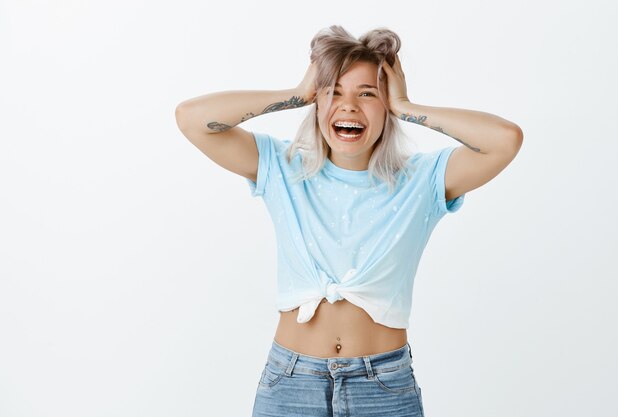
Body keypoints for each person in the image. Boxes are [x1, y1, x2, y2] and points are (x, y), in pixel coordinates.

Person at [175, 25, 522, 417]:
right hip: (291, 383)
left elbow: (505, 139)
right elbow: (191, 119)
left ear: (385, 105)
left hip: (383, 386)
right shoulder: (282, 167)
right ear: (317, 103)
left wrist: (406, 106)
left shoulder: (422, 181)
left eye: (367, 94)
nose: (349, 106)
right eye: (334, 92)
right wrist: (296, 93)